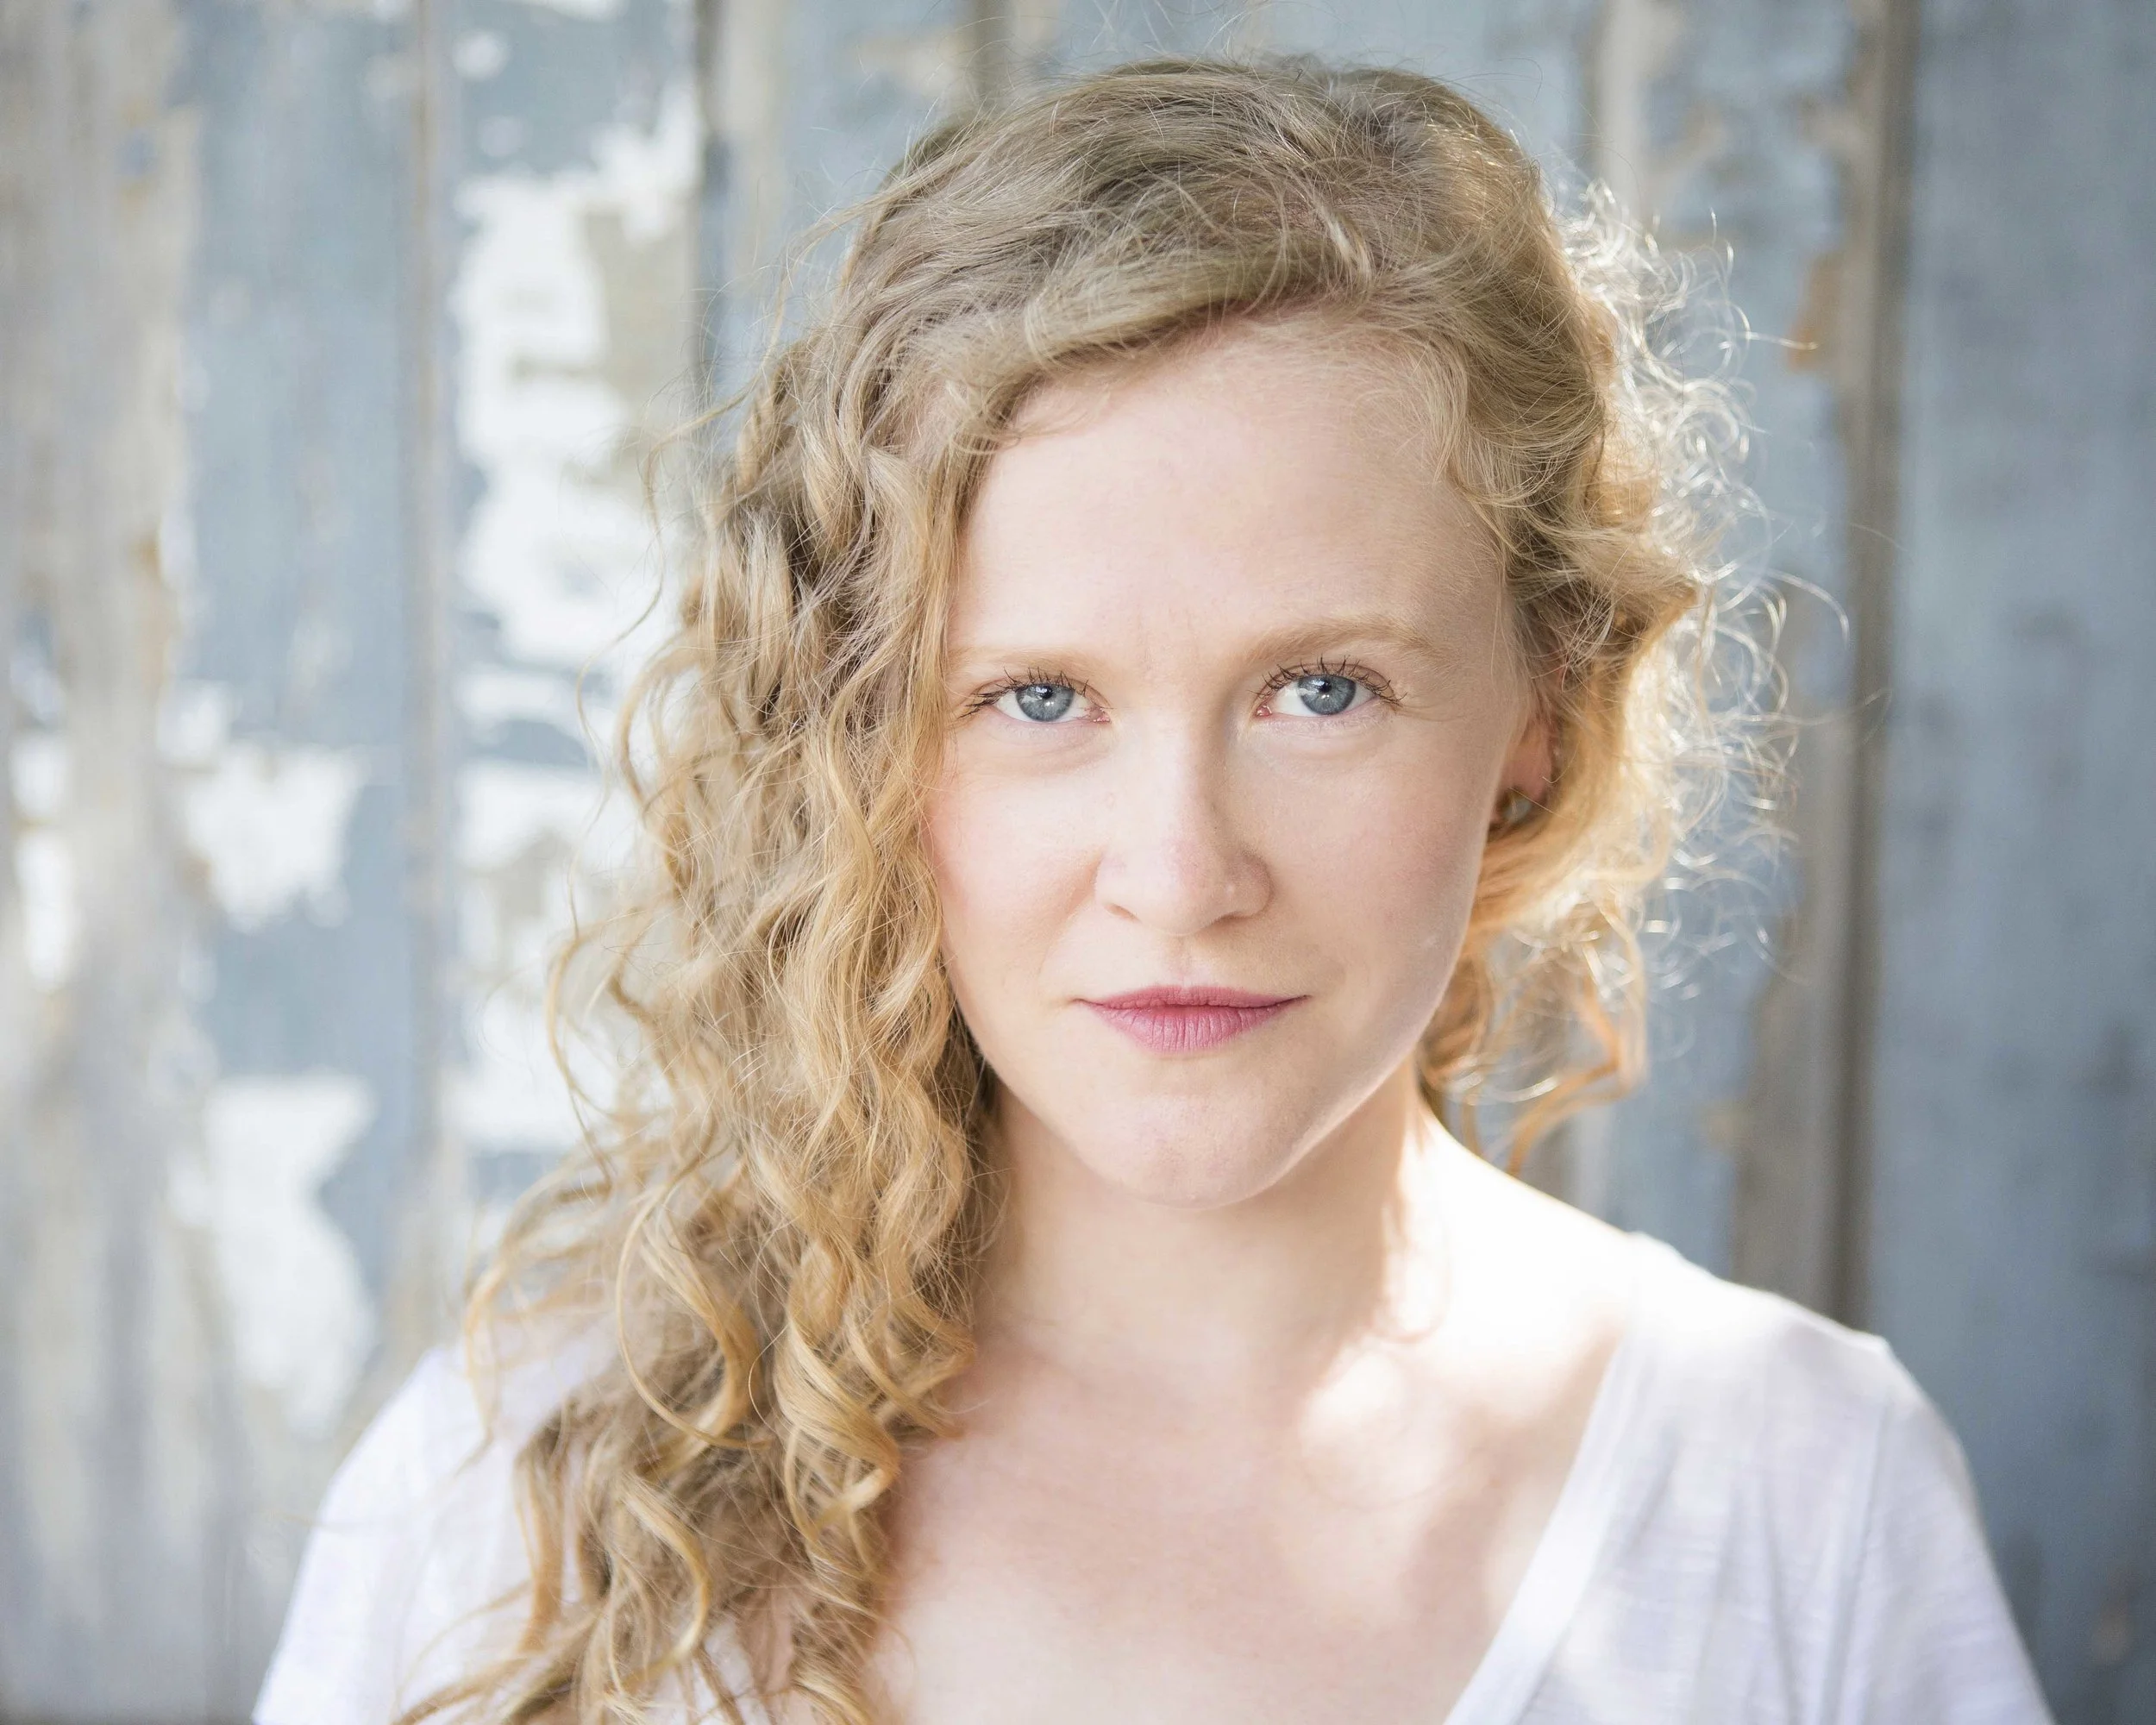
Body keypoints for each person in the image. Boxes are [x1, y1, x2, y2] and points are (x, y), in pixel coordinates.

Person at [255, 55, 2050, 1725]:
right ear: (862, 742)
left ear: (1538, 708)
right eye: (1038, 699)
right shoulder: (520, 1512)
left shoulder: (1802, 1501)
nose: (1181, 874)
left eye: (1319, 690)